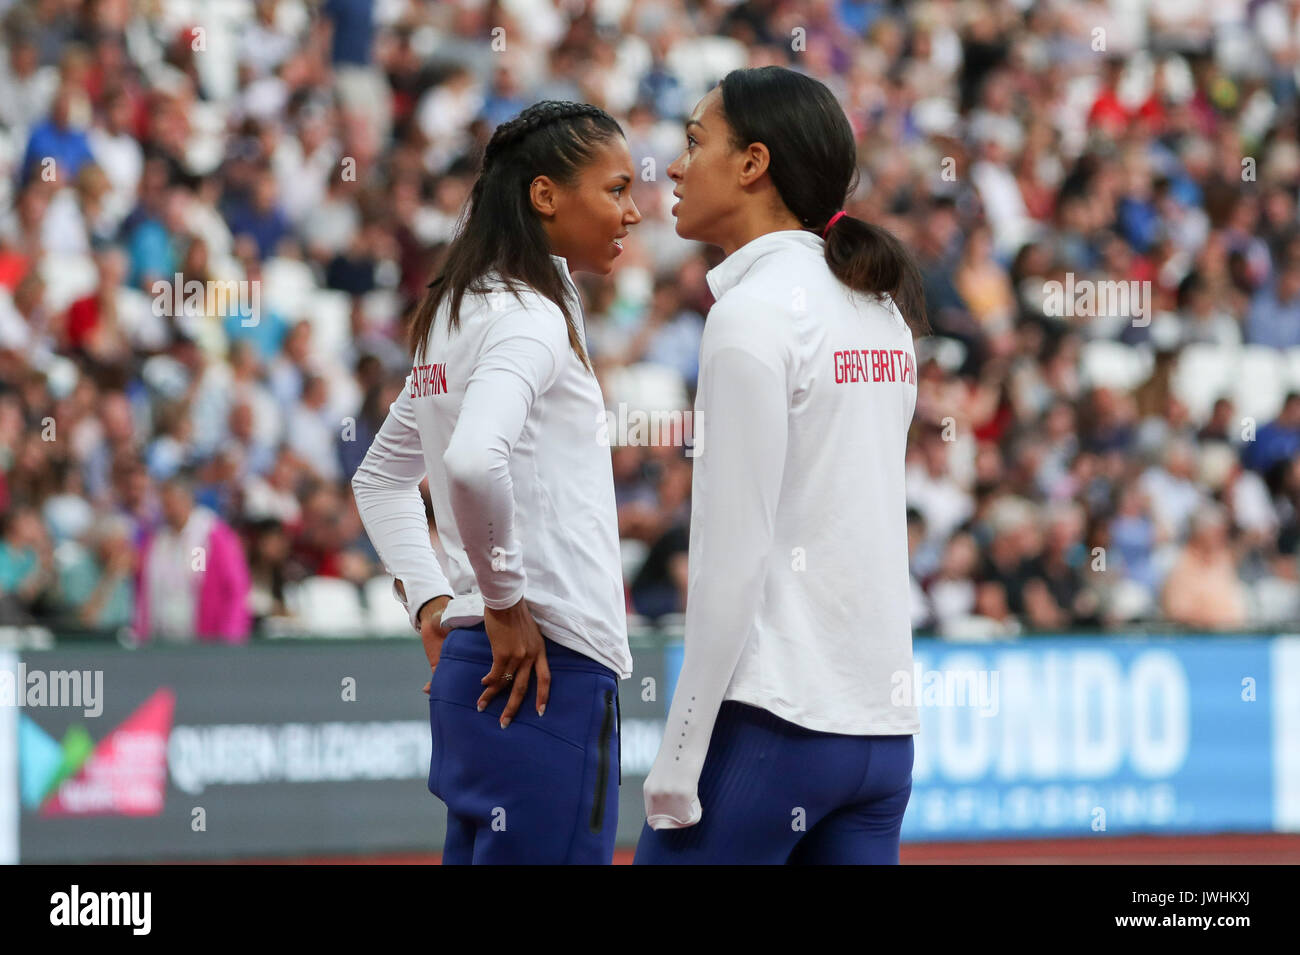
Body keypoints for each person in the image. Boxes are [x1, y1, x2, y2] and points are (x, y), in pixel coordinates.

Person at [635, 66, 928, 865]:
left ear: (753, 163)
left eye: (696, 141)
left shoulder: (751, 316)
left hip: (770, 725)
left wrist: (682, 746)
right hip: (879, 733)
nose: (674, 165)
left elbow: (732, 560)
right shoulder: (880, 310)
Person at [351, 101, 641, 864]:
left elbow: (380, 481)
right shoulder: (529, 317)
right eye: (615, 189)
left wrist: (431, 598)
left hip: (478, 672)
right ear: (546, 195)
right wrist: (504, 601)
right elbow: (475, 460)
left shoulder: (458, 310)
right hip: (547, 671)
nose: (634, 211)